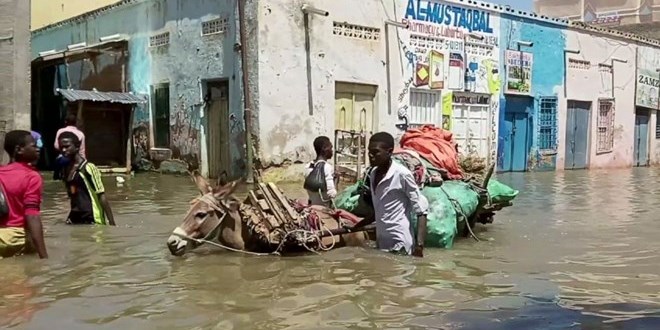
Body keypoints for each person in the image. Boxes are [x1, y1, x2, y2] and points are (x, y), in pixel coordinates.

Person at [351, 132, 428, 257]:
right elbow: (379, 210)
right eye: (369, 152)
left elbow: (421, 211)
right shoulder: (373, 174)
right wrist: (356, 226)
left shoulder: (402, 175)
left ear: (389, 151)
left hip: (400, 242)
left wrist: (419, 246)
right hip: (382, 242)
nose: (371, 156)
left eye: (376, 152)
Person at [0, 130, 48, 259]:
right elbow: (32, 216)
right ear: (19, 150)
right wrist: (44, 258)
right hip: (15, 238)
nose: (37, 148)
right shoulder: (31, 176)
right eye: (33, 145)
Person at [57, 132, 116, 226]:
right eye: (61, 147)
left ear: (77, 147)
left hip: (92, 217)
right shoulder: (66, 168)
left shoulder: (88, 168)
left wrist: (112, 224)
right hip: (75, 216)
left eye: (67, 146)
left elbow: (101, 196)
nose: (63, 150)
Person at [304, 136, 337, 207]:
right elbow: (332, 194)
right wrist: (336, 181)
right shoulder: (327, 167)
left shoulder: (308, 166)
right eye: (330, 148)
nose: (332, 151)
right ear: (324, 149)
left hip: (312, 205)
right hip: (324, 207)